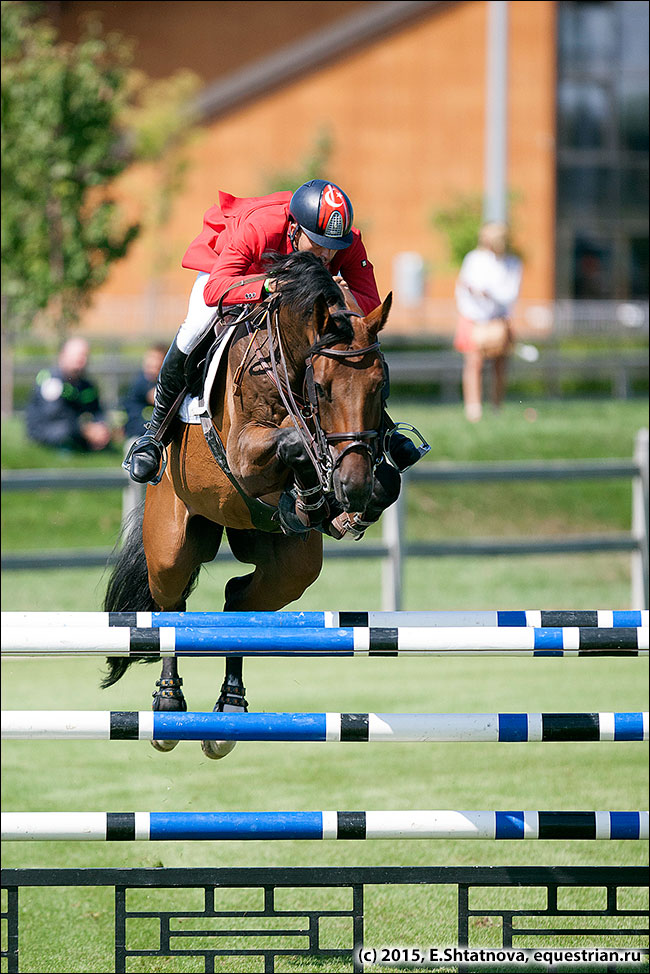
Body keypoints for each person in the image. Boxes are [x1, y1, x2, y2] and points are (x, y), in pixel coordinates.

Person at [125, 179, 424, 484]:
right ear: (295, 229)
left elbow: (369, 302)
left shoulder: (343, 241)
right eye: (317, 243)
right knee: (195, 329)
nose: (326, 254)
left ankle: (385, 430)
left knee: (360, 337)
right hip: (233, 270)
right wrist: (268, 284)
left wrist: (339, 294)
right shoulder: (262, 228)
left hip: (293, 290)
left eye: (332, 247)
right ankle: (154, 436)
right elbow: (214, 290)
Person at [454, 222, 523, 422]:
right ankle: (473, 408)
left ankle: (496, 406)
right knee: (473, 363)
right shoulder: (474, 259)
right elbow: (464, 287)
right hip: (474, 317)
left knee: (500, 365)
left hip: (498, 320)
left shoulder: (512, 263)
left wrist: (488, 294)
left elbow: (509, 294)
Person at [25, 336, 113, 452]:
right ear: (63, 356)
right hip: (48, 429)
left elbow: (96, 410)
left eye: (84, 355)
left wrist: (100, 427)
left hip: (77, 428)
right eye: (76, 355)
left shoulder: (86, 385)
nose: (81, 359)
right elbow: (54, 414)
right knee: (64, 431)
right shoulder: (50, 380)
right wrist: (85, 429)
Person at [121, 343, 167, 442]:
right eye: (150, 359)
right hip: (138, 436)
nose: (152, 364)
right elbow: (157, 397)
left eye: (156, 360)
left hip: (157, 436)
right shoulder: (142, 382)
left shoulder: (160, 381)